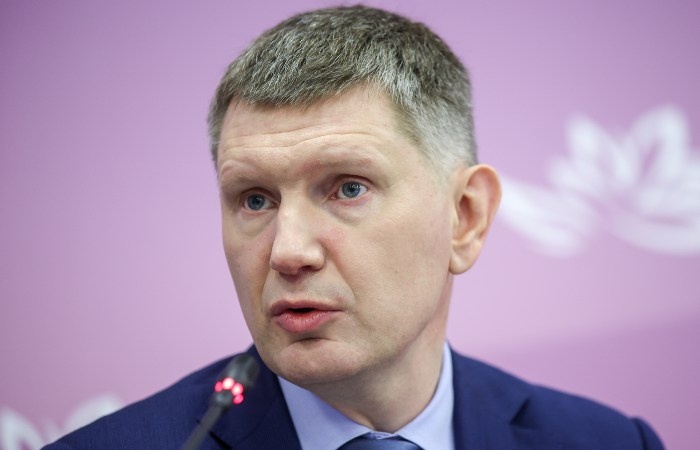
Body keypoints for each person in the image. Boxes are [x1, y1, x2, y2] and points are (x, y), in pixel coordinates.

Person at [44, 5, 664, 449]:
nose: (288, 252)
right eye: (255, 199)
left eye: (347, 188)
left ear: (465, 217)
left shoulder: (607, 441)